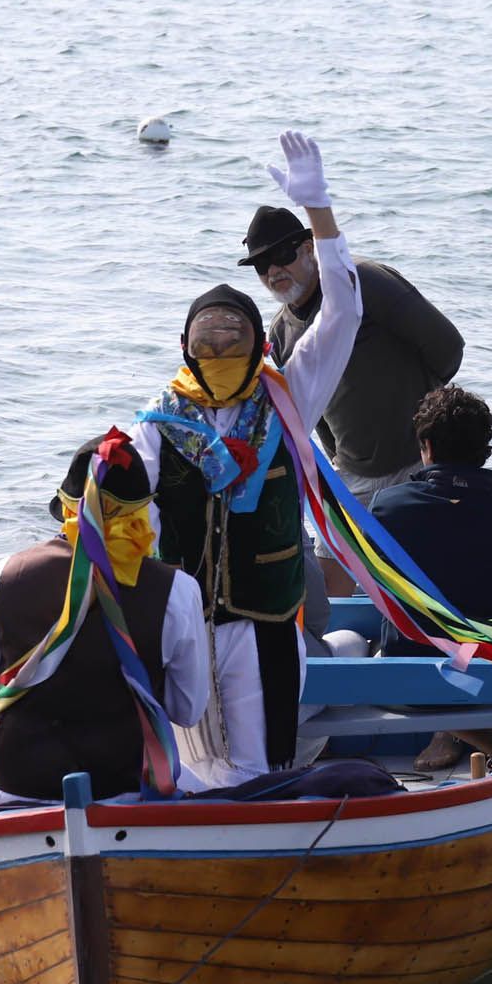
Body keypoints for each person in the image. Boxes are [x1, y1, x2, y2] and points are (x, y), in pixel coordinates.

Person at [128, 131, 362, 791]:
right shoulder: (160, 421)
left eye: (235, 332)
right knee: (189, 766)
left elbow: (343, 309)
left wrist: (318, 213)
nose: (221, 343)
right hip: (184, 623)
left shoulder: (289, 397)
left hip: (264, 621)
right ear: (184, 346)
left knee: (261, 766)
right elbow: (116, 501)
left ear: (259, 340)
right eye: (208, 335)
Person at [0, 430, 210, 807]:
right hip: (120, 790)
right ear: (143, 512)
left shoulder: (3, 576)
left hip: (12, 787)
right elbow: (186, 711)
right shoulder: (178, 590)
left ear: (66, 508)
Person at [370, 385, 492, 770]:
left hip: (408, 685)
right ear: (484, 453)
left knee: (349, 639)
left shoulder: (387, 506)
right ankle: (485, 740)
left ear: (427, 447)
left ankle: (457, 734)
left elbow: (378, 593)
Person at [241, 203, 464, 507]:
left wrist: (427, 421)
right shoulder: (280, 332)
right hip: (352, 474)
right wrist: (340, 461)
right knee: (330, 554)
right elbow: (312, 412)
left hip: (422, 459)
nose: (273, 270)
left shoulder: (362, 281)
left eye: (283, 255)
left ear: (308, 248)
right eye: (261, 264)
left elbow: (447, 347)